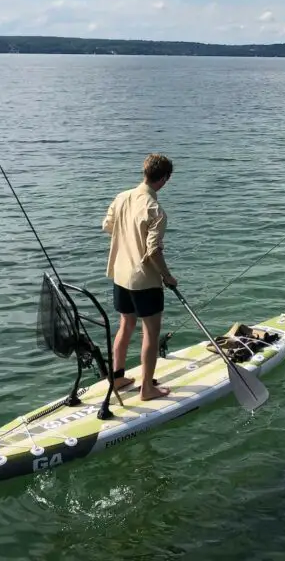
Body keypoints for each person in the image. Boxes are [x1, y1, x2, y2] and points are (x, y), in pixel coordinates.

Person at [101, 153, 177, 401]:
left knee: (126, 324)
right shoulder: (156, 210)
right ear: (164, 178)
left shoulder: (122, 197)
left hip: (120, 276)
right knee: (151, 333)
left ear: (145, 172)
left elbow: (107, 226)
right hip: (144, 281)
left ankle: (118, 377)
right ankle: (147, 388)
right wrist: (167, 277)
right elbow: (153, 251)